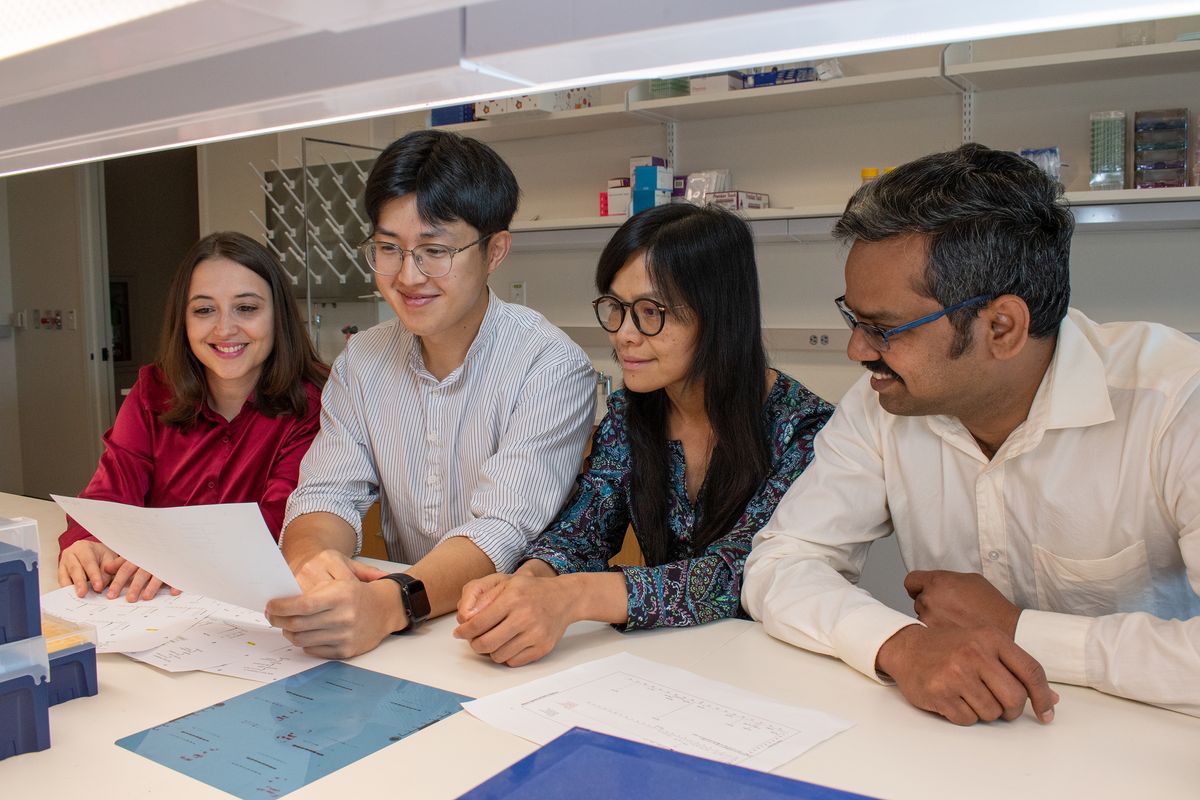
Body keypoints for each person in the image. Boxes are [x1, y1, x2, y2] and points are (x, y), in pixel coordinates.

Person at [743, 143, 1200, 724]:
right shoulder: (882, 406)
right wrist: (899, 645)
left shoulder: (1175, 405)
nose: (858, 350)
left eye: (883, 328)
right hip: (961, 747)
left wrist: (1018, 630)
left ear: (1002, 327)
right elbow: (782, 560)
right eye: (853, 320)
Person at [453, 204, 834, 666]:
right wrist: (532, 578)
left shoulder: (805, 429)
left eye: (651, 312)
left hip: (777, 667)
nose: (624, 335)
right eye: (615, 308)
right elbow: (585, 528)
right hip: (665, 663)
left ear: (719, 316)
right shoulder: (631, 413)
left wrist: (573, 596)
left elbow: (738, 576)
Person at [266, 130, 595, 659]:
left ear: (496, 251)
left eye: (435, 250)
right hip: (400, 632)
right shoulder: (362, 362)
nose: (407, 276)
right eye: (388, 249)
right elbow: (325, 494)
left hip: (512, 639)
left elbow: (503, 528)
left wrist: (391, 604)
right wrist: (314, 563)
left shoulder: (549, 365)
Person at [57, 231, 327, 601]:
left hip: (256, 605)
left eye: (246, 308)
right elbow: (110, 493)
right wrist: (86, 541)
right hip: (151, 605)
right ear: (183, 321)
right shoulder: (152, 389)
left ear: (277, 316)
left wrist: (165, 555)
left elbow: (280, 524)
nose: (224, 328)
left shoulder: (314, 403)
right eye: (204, 310)